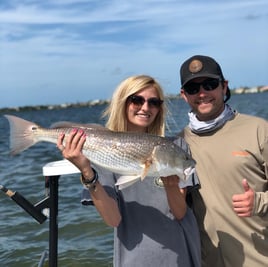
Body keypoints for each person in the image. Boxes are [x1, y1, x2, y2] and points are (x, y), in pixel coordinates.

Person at [57, 75, 201, 267]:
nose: (145, 107)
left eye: (154, 102)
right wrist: (86, 171)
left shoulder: (176, 146)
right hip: (135, 258)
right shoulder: (102, 155)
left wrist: (171, 186)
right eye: (137, 100)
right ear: (123, 103)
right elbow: (113, 219)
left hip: (180, 255)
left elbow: (180, 212)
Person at [179, 55, 268, 267]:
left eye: (209, 84)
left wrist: (259, 201)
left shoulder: (259, 129)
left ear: (224, 86)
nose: (202, 93)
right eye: (193, 88)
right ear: (184, 95)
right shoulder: (178, 144)